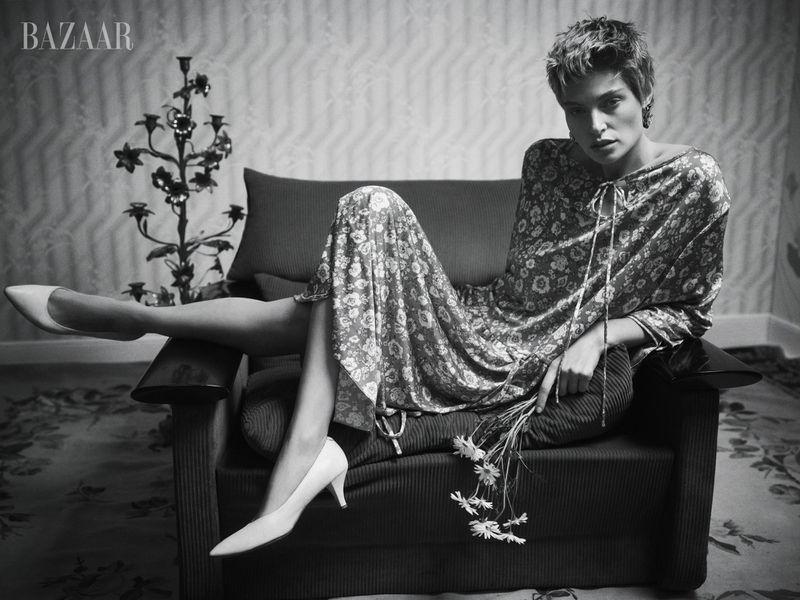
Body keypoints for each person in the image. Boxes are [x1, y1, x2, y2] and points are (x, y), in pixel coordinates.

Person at [4, 16, 730, 553]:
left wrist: (604, 333)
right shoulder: (547, 161)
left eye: (611, 102)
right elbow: (524, 289)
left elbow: (690, 311)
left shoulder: (695, 184)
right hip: (477, 320)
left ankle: (151, 326)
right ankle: (155, 332)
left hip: (519, 359)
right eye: (575, 108)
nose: (594, 125)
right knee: (369, 212)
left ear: (644, 91)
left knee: (327, 305)